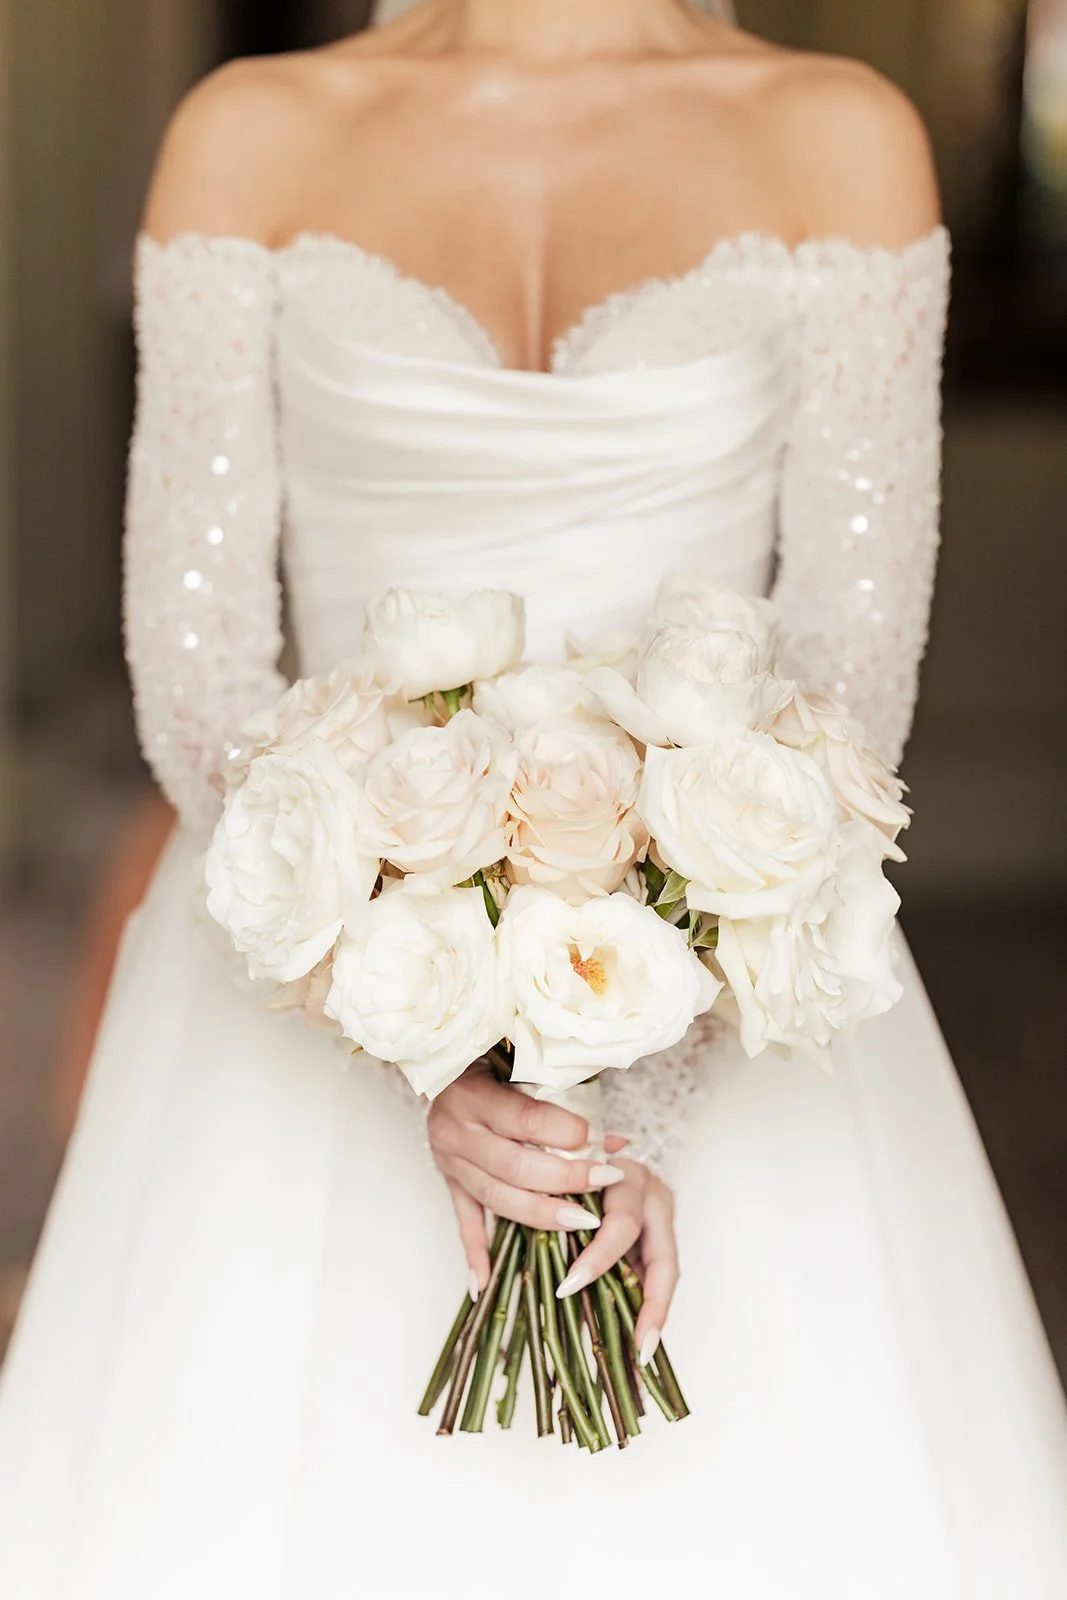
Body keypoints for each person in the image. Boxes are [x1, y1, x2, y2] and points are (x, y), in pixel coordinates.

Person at [2, 2, 1066, 1594]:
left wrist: (621, 1078)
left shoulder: (837, 134)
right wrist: (421, 1022)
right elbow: (202, 671)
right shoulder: (251, 131)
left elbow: (846, 684)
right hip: (308, 1009)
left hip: (730, 1006)